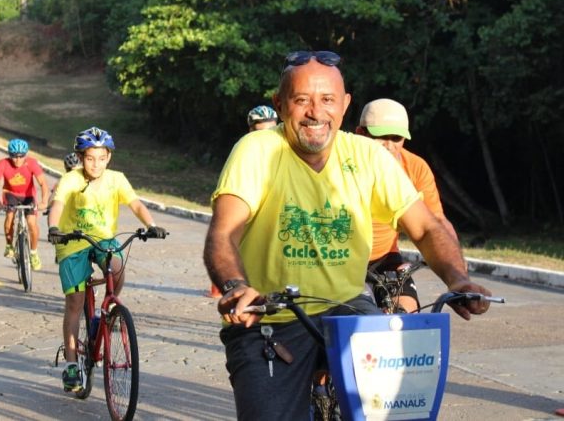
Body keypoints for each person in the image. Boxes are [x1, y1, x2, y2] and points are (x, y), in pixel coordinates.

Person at [202, 50, 492, 420]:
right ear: (279, 103)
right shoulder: (256, 151)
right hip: (270, 317)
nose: (315, 112)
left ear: (345, 105)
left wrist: (458, 278)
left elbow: (426, 226)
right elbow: (223, 233)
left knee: (399, 408)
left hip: (349, 309)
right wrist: (234, 285)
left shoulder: (367, 155)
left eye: (327, 100)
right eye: (301, 99)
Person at [47, 127, 167, 393]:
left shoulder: (116, 179)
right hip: (72, 242)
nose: (96, 164)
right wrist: (54, 228)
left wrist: (151, 224)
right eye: (90, 158)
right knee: (75, 302)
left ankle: (109, 310)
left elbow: (135, 203)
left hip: (103, 239)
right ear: (80, 157)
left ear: (109, 157)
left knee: (117, 266)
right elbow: (57, 204)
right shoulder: (71, 180)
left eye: (102, 158)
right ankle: (70, 365)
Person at [357, 98, 460, 312]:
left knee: (407, 317)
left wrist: (459, 278)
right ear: (360, 133)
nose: (389, 145)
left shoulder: (415, 167)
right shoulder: (339, 163)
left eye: (396, 138)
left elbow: (437, 222)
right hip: (339, 260)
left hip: (383, 257)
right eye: (380, 137)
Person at [205, 104, 280, 299]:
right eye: (259, 131)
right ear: (250, 130)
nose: (266, 136)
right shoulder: (245, 150)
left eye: (271, 130)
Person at [0, 138, 49, 269]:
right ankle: (9, 245)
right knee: (10, 217)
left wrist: (44, 201)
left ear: (25, 155)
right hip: (10, 194)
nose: (17, 160)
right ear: (9, 155)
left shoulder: (32, 163)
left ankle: (33, 253)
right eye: (14, 156)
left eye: (21, 156)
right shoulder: (3, 164)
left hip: (28, 196)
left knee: (32, 223)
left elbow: (43, 183)